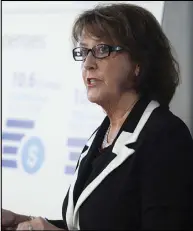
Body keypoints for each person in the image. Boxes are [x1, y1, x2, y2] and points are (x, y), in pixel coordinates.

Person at [2, 2, 193, 230]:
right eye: (83, 52)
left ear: (138, 63)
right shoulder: (101, 136)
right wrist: (20, 221)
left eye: (102, 50)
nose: (88, 64)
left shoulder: (165, 137)